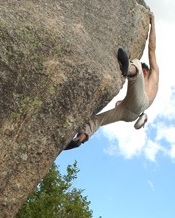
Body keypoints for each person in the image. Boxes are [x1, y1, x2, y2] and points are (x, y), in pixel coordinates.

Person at [65, 12, 159, 150]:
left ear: (147, 71)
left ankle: (129, 70)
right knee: (97, 120)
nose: (144, 75)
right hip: (130, 113)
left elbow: (152, 48)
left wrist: (153, 24)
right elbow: (122, 103)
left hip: (140, 104)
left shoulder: (153, 74)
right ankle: (80, 139)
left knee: (137, 63)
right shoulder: (141, 89)